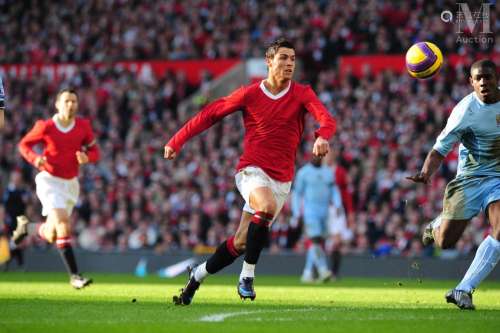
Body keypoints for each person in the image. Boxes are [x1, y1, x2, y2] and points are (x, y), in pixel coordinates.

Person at [165, 38, 336, 305]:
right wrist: (177, 140)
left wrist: (322, 136)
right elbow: (211, 113)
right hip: (251, 171)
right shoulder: (250, 93)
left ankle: (196, 277)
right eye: (283, 58)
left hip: (282, 179)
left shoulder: (302, 93)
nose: (289, 63)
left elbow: (326, 117)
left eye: (292, 59)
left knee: (242, 242)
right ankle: (247, 276)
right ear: (269, 62)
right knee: (264, 206)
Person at [408, 59, 500, 310]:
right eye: (478, 78)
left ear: (496, 78)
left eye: (487, 77)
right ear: (471, 82)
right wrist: (426, 173)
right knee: (445, 242)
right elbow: (440, 149)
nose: (483, 82)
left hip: (498, 179)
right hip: (470, 179)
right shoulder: (464, 111)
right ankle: (436, 224)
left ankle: (463, 290)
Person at [14, 88, 100, 289]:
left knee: (53, 233)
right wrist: (36, 159)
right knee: (63, 222)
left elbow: (95, 151)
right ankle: (75, 276)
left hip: (70, 184)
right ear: (58, 104)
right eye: (67, 101)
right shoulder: (46, 126)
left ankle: (27, 227)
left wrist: (88, 157)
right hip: (49, 180)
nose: (71, 105)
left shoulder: (83, 126)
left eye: (74, 101)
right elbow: (23, 145)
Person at [291, 155, 340, 283]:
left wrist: (338, 203)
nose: (317, 158)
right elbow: (297, 193)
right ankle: (323, 270)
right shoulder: (304, 173)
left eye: (320, 156)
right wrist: (296, 212)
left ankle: (307, 273)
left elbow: (334, 190)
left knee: (318, 242)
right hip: (310, 212)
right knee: (316, 240)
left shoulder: (328, 172)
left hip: (325, 212)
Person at [2, 170, 30, 270]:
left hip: (21, 220)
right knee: (14, 243)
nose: (17, 179)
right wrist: (3, 220)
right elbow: (4, 207)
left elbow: (27, 205)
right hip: (11, 221)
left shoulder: (23, 191)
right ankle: (17, 263)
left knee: (17, 243)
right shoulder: (8, 191)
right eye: (15, 177)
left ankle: (11, 262)